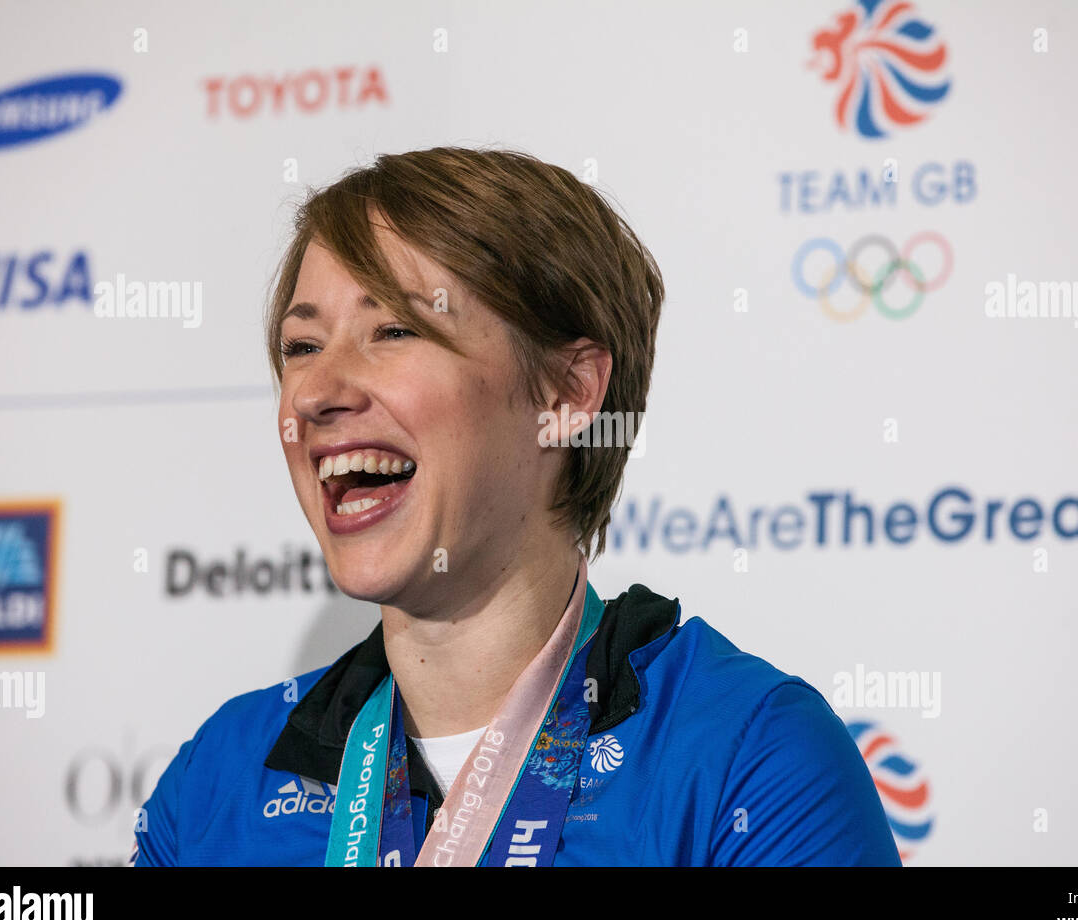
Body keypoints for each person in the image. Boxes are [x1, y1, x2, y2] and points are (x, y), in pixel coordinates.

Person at [132, 146, 901, 866]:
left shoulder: (751, 759)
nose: (317, 393)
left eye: (393, 330)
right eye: (302, 347)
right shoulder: (218, 783)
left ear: (567, 393)